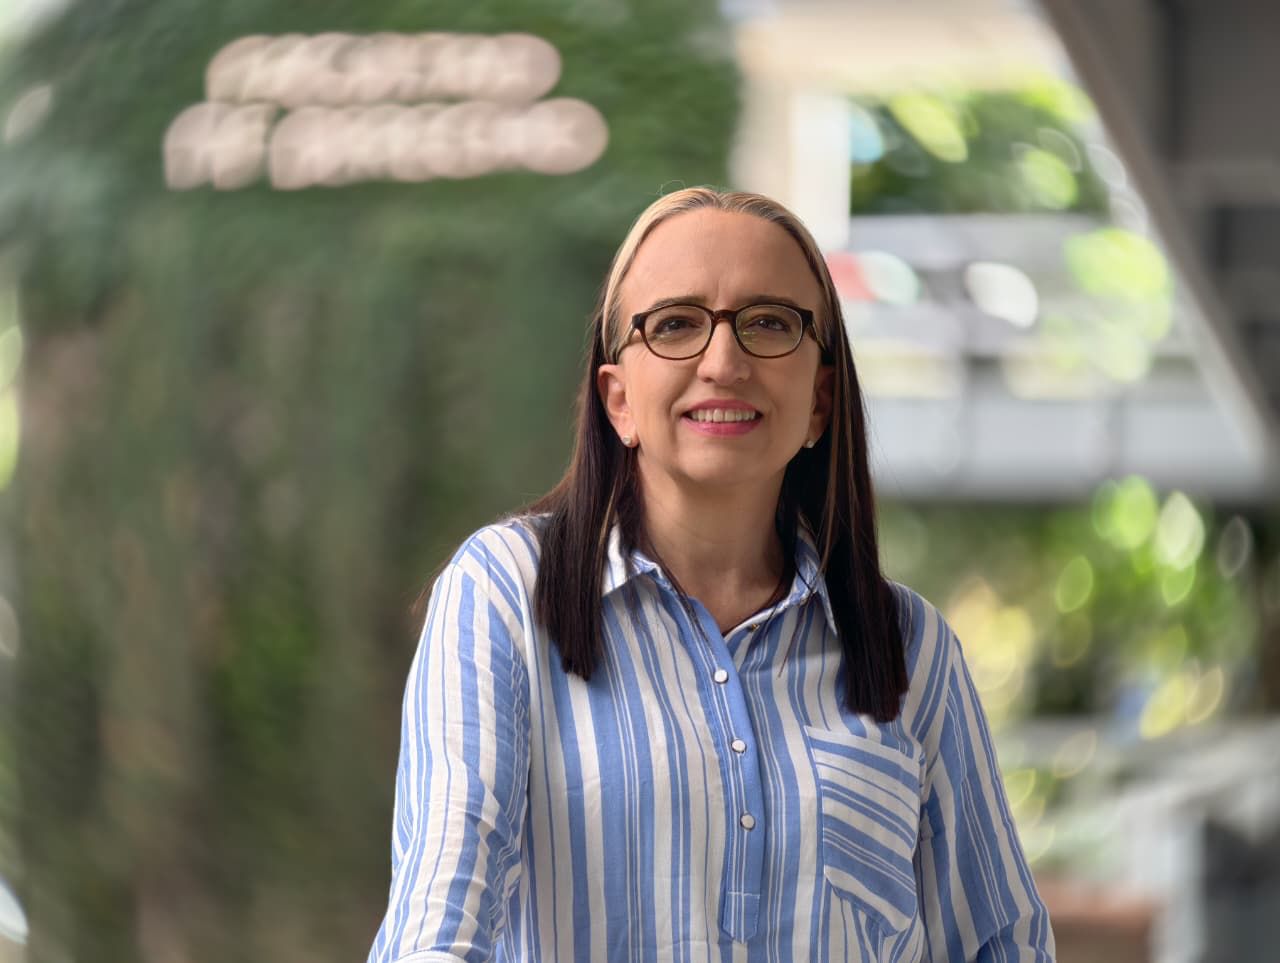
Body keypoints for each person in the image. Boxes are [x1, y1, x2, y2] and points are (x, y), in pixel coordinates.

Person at [367, 188, 1056, 962]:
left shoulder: (912, 650)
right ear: (618, 400)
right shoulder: (505, 594)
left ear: (821, 398)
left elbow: (1005, 946)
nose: (724, 363)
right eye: (674, 324)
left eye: (770, 322)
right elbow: (437, 931)